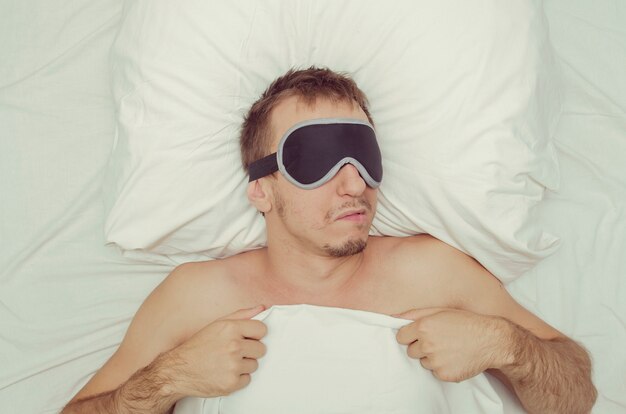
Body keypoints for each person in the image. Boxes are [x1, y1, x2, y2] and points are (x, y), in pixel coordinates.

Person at [63, 67, 597, 414]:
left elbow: (578, 396)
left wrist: (502, 344)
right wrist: (168, 378)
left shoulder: (432, 271)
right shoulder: (198, 296)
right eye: (315, 161)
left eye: (364, 157)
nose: (354, 183)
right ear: (262, 190)